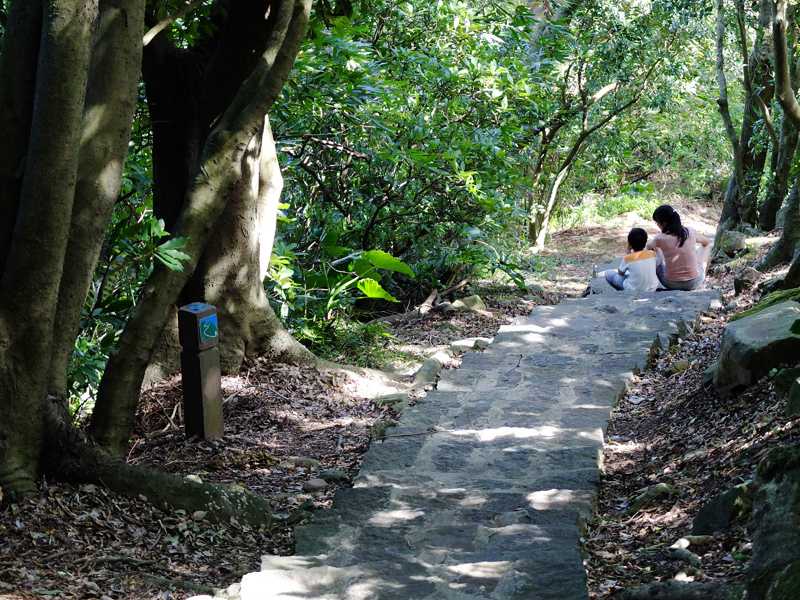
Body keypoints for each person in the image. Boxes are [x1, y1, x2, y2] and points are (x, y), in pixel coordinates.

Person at [645, 204, 711, 291]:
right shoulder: (690, 232)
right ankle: (702, 282)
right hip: (694, 282)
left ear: (661, 224)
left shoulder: (660, 238)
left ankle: (650, 283)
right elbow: (706, 242)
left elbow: (648, 247)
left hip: (670, 283)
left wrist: (659, 255)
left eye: (657, 222)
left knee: (652, 251)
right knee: (707, 248)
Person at [605, 227, 663, 291]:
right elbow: (659, 263)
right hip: (652, 287)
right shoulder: (652, 254)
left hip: (633, 288)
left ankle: (621, 291)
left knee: (608, 273)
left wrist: (628, 253)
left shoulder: (628, 258)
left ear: (629, 244)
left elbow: (620, 272)